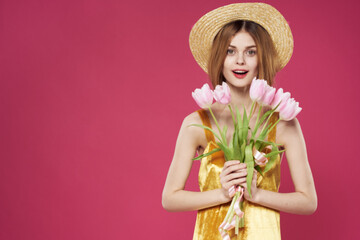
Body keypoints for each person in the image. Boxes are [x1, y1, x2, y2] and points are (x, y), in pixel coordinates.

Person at [162, 3, 317, 239]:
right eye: (230, 51)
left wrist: (257, 195)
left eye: (251, 52)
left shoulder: (283, 123)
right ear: (219, 57)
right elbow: (170, 198)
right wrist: (222, 194)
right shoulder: (198, 123)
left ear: (261, 57)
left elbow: (308, 202)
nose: (240, 61)